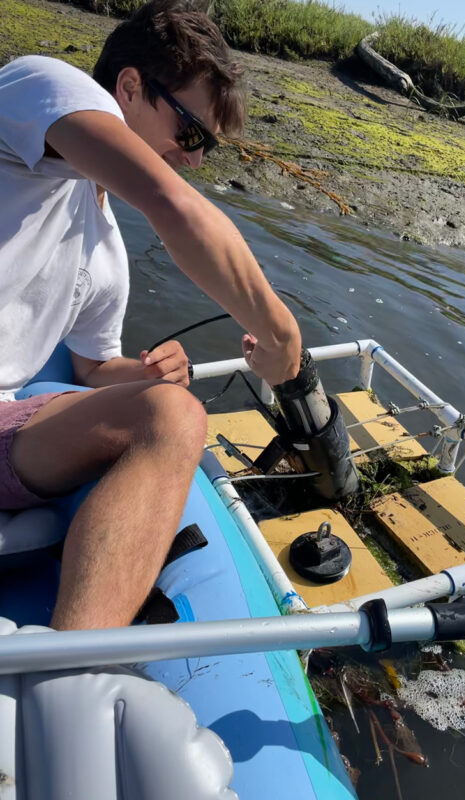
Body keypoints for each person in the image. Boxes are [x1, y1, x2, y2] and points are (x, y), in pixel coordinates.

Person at [0, 0, 301, 630]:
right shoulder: (42, 87)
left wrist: (145, 374)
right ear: (130, 88)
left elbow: (91, 369)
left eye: (206, 149)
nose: (192, 158)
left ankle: (69, 674)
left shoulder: (105, 247)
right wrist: (280, 331)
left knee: (175, 414)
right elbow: (172, 204)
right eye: (189, 132)